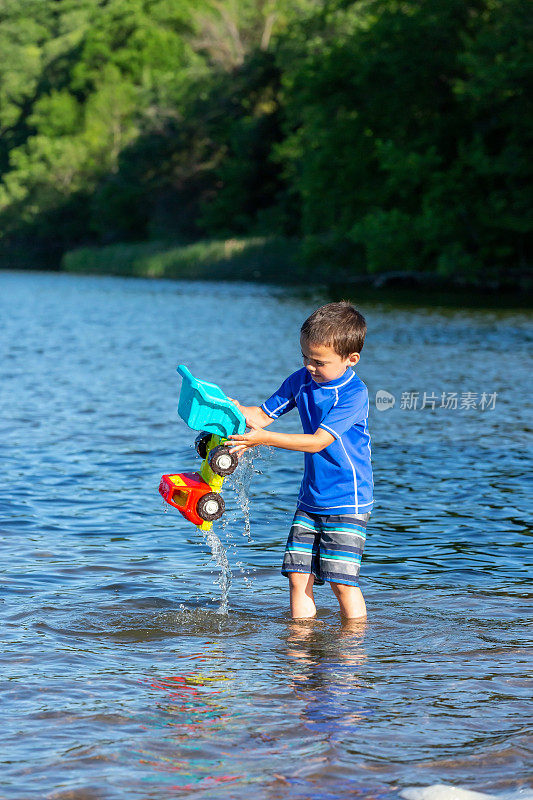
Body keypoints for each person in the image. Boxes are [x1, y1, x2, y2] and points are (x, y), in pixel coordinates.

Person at [229, 301, 373, 620]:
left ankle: (352, 650)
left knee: (341, 583)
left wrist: (263, 439)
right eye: (305, 356)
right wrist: (232, 410)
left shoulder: (353, 394)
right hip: (311, 499)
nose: (309, 366)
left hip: (347, 500)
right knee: (298, 576)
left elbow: (318, 442)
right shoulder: (301, 380)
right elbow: (262, 416)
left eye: (319, 361)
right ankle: (299, 647)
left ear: (351, 360)